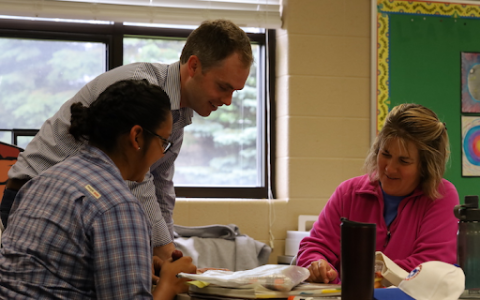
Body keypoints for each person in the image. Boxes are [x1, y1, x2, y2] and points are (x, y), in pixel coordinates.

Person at [0, 19, 253, 262]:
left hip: (75, 204)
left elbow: (161, 187)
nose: (228, 100)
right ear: (194, 66)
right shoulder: (140, 88)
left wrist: (170, 253)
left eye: (235, 91)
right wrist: (165, 251)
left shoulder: (179, 113)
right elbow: (134, 180)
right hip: (36, 199)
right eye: (223, 87)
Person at [0, 79, 197, 300]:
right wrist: (169, 285)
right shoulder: (118, 206)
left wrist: (133, 261)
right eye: (163, 142)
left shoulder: (42, 181)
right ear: (137, 137)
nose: (162, 154)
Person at [296, 103, 459, 284]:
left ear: (426, 167)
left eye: (404, 161)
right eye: (386, 154)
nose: (389, 168)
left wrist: (362, 277)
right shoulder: (348, 193)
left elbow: (429, 267)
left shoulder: (441, 197)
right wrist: (318, 265)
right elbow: (315, 246)